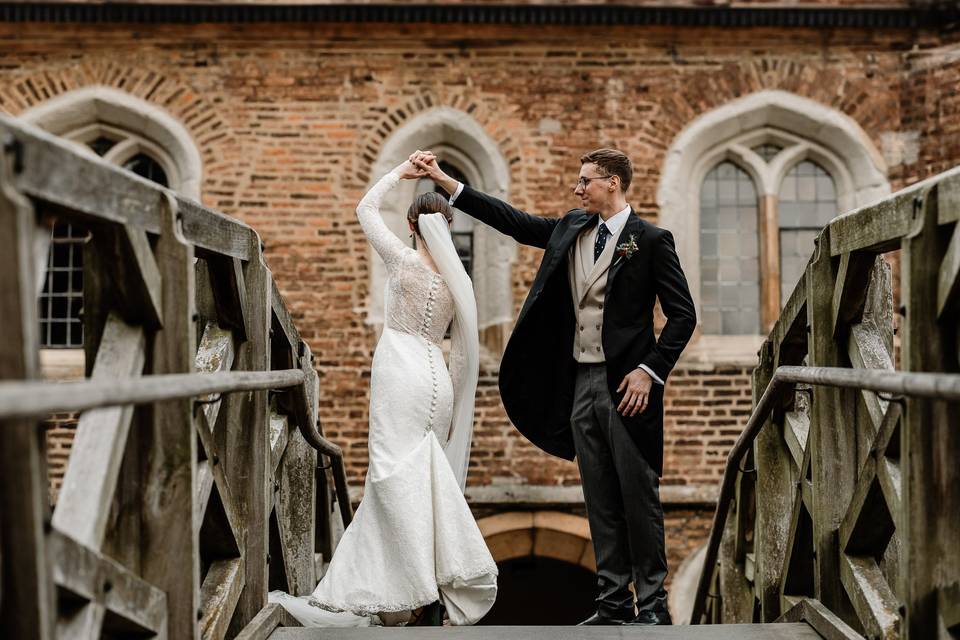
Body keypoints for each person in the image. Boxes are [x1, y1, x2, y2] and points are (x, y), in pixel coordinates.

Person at [412, 148, 696, 626]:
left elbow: (682, 315)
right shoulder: (570, 228)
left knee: (637, 494)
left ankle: (651, 606)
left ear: (612, 183)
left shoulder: (650, 240)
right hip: (578, 384)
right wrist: (445, 181)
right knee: (599, 495)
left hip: (627, 387)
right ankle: (611, 605)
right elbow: (512, 221)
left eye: (585, 180)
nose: (577, 188)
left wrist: (650, 371)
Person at [271, 159, 497, 627]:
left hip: (400, 371)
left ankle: (400, 583)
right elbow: (461, 352)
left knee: (390, 473)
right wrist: (455, 400)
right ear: (448, 224)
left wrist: (399, 173)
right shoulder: (460, 283)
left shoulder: (404, 261)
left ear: (412, 223)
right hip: (437, 376)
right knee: (426, 472)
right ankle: (429, 579)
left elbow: (364, 208)